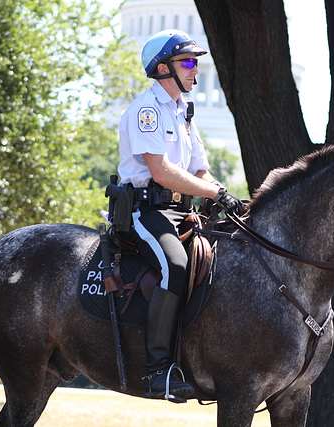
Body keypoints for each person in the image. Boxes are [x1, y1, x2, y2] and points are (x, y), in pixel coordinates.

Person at [116, 29, 244, 403]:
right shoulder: (146, 110)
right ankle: (157, 372)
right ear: (162, 69)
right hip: (146, 210)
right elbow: (162, 172)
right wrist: (214, 191)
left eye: (196, 63)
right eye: (187, 62)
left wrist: (226, 197)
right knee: (175, 264)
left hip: (179, 211)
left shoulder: (184, 113)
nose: (195, 70)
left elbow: (199, 171)